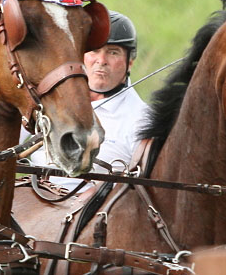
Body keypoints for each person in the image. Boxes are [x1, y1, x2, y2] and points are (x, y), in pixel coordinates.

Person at [26, 10, 150, 190]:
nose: (101, 60)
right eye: (94, 51)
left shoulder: (143, 120)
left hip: (88, 213)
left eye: (113, 52)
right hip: (29, 199)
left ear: (130, 62)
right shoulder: (48, 95)